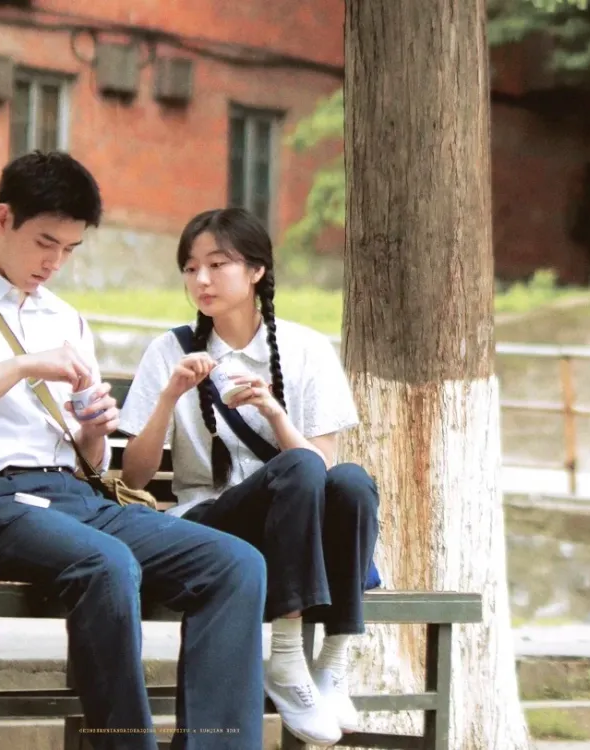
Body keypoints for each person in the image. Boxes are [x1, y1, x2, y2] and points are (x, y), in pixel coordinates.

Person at [0, 152, 268, 750]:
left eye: (69, 249)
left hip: (71, 499)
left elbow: (94, 463)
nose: (54, 263)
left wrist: (93, 429)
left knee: (236, 563)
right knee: (107, 564)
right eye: (45, 243)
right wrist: (20, 366)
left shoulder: (64, 319)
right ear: (3, 218)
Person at [119, 207, 381, 747]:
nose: (202, 280)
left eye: (218, 264)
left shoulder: (306, 349)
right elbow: (135, 476)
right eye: (191, 268)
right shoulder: (169, 350)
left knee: (352, 482)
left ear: (257, 270)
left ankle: (332, 664)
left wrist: (274, 413)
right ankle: (285, 659)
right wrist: (168, 398)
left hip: (295, 531)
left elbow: (322, 470)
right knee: (301, 469)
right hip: (210, 525)